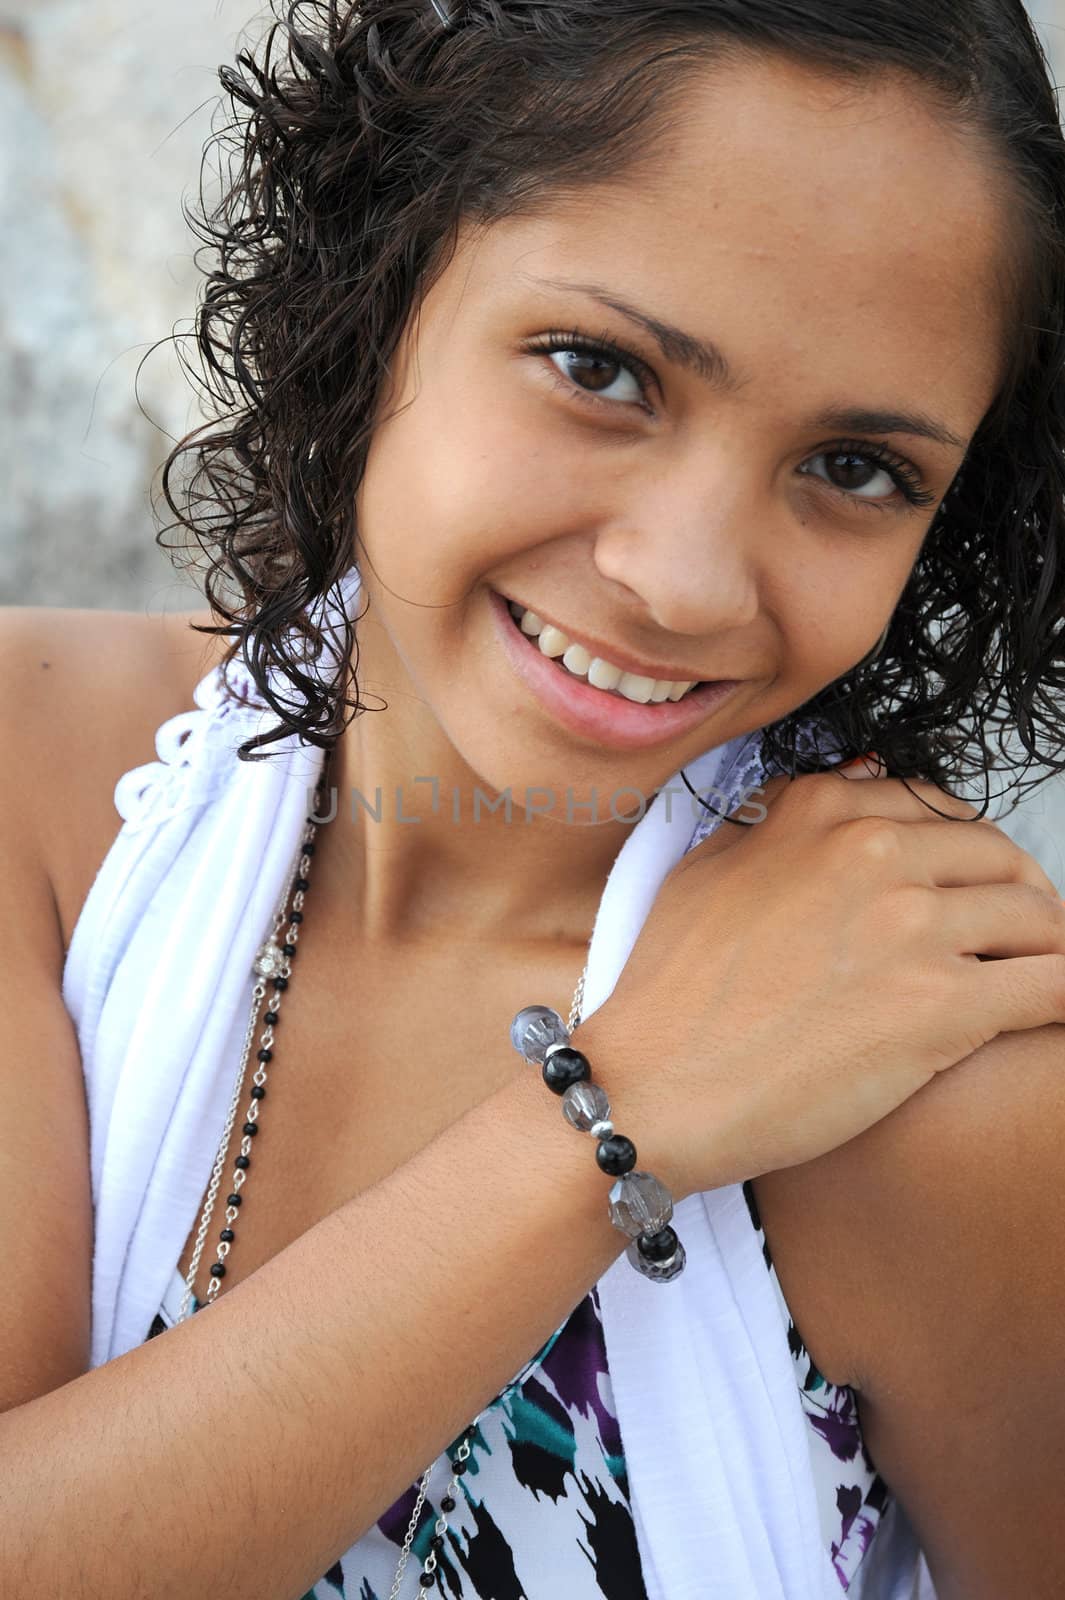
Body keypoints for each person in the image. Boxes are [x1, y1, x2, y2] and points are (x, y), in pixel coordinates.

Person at [3, 0, 1065, 1595]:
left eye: (855, 468)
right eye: (600, 369)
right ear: (384, 280)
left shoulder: (937, 1086)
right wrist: (614, 1111)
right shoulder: (40, 783)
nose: (683, 582)